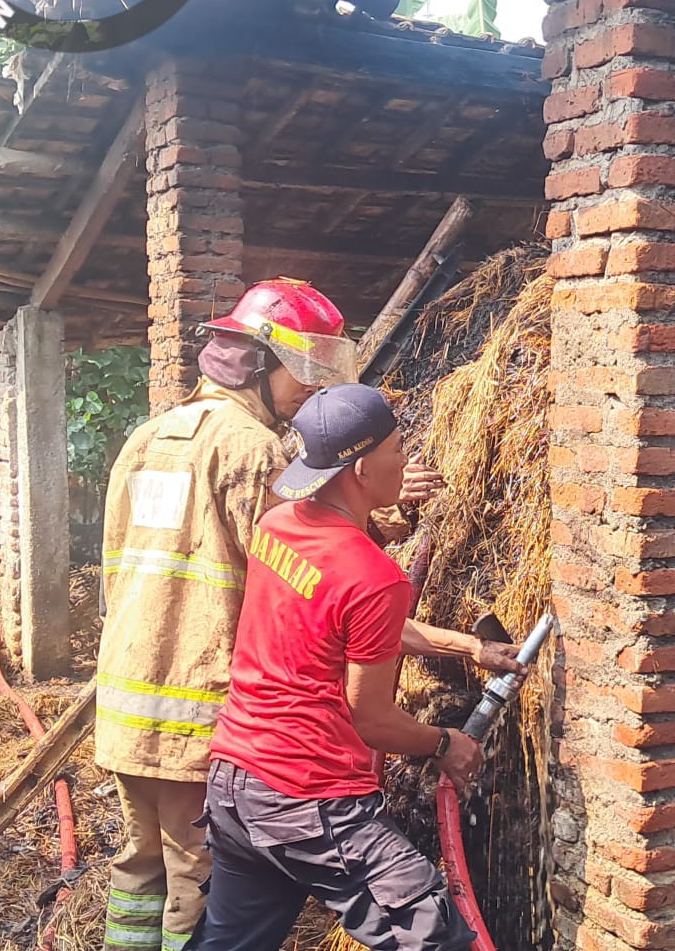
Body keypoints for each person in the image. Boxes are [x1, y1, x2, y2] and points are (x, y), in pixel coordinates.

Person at [95, 280, 443, 951]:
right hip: (202, 710)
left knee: (140, 872)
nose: (308, 390)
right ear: (256, 363)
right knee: (196, 887)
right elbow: (306, 569)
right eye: (299, 371)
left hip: (127, 701)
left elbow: (117, 567)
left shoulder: (148, 437)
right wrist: (391, 513)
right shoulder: (250, 449)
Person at [188, 384, 522, 951]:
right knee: (432, 935)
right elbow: (371, 720)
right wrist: (446, 743)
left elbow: (350, 621)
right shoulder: (374, 575)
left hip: (236, 785)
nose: (405, 459)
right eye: (398, 449)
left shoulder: (278, 525)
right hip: (306, 797)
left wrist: (470, 647)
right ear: (363, 468)